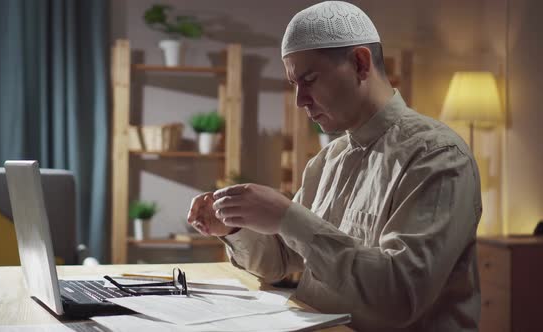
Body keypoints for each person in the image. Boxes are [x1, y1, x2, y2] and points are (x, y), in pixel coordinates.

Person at [187, 1, 482, 331]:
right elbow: (281, 260)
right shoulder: (327, 160)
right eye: (294, 84)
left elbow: (400, 295)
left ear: (360, 63)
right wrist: (235, 227)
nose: (300, 99)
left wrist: (287, 217)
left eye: (309, 78)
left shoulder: (438, 155)